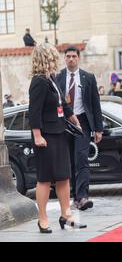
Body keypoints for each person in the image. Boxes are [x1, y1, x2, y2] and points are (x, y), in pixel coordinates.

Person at [28, 43, 85, 233]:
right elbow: (34, 112)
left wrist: (72, 117)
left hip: (59, 133)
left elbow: (61, 101)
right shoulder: (38, 81)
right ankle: (42, 218)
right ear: (46, 58)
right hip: (45, 137)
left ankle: (66, 215)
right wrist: (37, 135)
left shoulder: (51, 78)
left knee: (63, 176)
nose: (57, 59)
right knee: (45, 178)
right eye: (53, 56)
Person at [56, 46, 103, 211]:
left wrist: (98, 129)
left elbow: (95, 104)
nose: (71, 59)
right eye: (68, 56)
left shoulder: (88, 78)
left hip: (82, 122)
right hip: (64, 124)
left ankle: (82, 196)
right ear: (64, 59)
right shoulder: (58, 78)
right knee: (69, 162)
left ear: (78, 58)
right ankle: (75, 197)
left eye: (74, 56)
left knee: (81, 159)